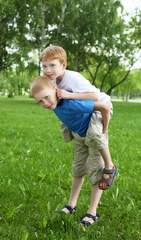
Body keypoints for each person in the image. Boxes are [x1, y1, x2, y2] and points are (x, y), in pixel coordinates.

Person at [30, 76, 118, 227]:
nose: (45, 103)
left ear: (56, 91)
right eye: (40, 101)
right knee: (77, 170)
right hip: (79, 137)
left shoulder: (72, 103)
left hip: (92, 136)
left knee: (96, 172)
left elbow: (104, 107)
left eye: (46, 97)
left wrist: (104, 129)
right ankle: (71, 205)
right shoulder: (54, 104)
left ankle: (92, 212)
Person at [40, 45, 116, 192]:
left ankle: (109, 165)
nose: (47, 70)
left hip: (101, 105)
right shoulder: (53, 80)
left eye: (52, 65)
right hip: (86, 110)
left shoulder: (73, 78)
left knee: (95, 134)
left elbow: (95, 97)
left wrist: (69, 95)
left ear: (63, 65)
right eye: (44, 66)